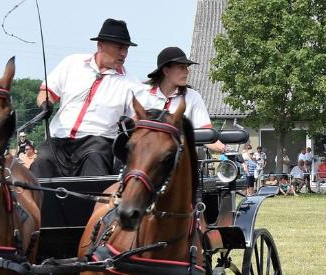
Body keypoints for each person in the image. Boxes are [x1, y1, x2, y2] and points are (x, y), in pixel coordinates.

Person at [30, 19, 139, 178]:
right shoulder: (72, 63)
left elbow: (142, 114)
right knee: (42, 162)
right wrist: (45, 104)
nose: (124, 53)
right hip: (58, 140)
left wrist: (130, 122)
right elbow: (46, 91)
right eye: (120, 47)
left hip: (98, 142)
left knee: (95, 162)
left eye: (126, 49)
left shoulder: (131, 83)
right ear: (100, 45)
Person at [137, 46, 225, 154]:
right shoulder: (142, 94)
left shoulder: (193, 97)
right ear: (166, 71)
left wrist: (225, 149)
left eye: (186, 67)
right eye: (181, 67)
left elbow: (206, 133)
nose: (187, 72)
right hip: (147, 159)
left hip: (181, 160)